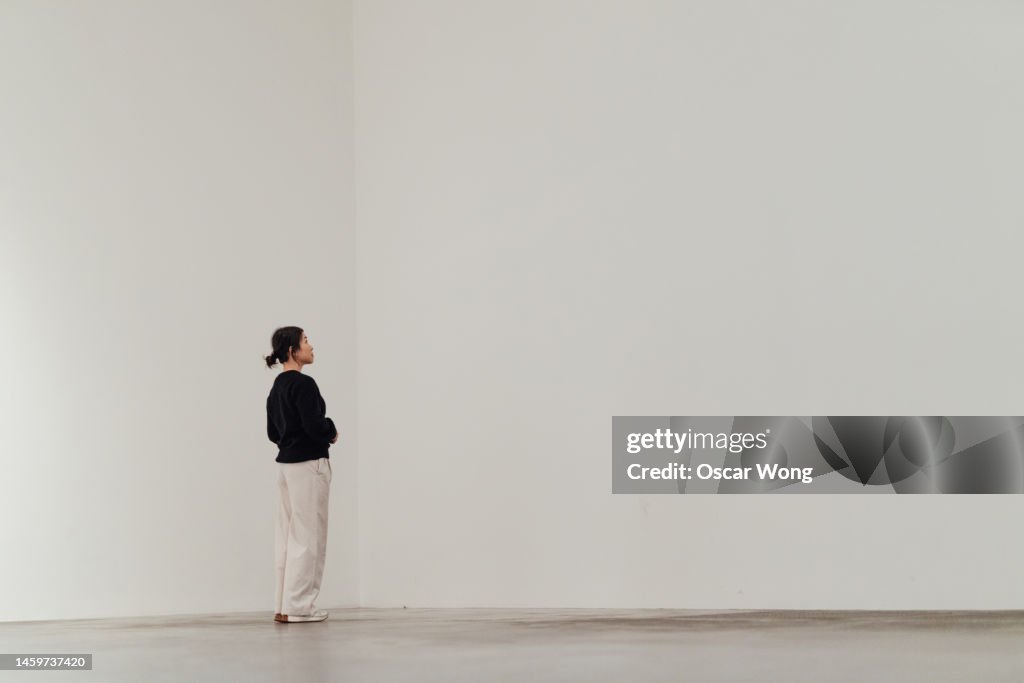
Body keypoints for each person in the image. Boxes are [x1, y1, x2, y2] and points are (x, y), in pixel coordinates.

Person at [264, 326, 338, 623]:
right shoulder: (304, 384)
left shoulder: (277, 387)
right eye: (306, 341)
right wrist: (331, 431)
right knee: (309, 536)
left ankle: (284, 605)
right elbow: (314, 425)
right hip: (309, 464)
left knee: (287, 535)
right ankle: (300, 607)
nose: (311, 345)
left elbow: (272, 432)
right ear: (293, 350)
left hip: (285, 466)